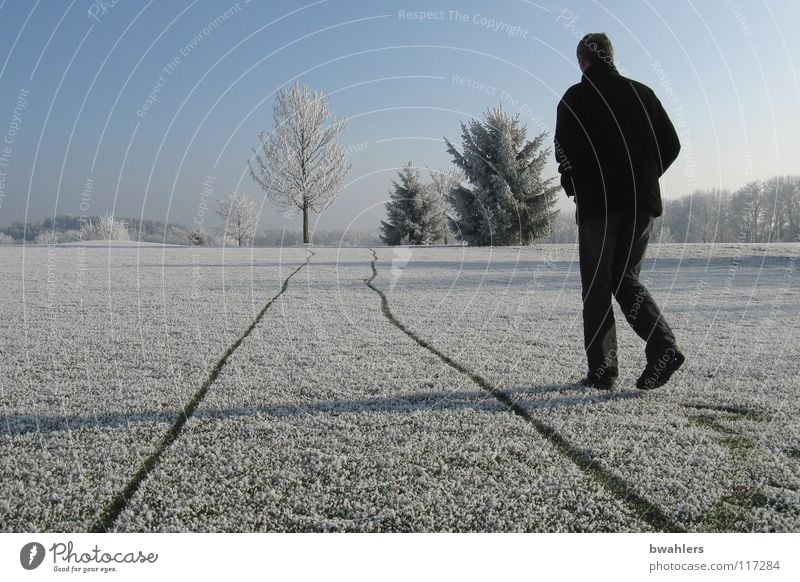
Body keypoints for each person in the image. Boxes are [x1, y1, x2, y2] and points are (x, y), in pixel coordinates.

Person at [554, 32, 685, 390]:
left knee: (597, 286)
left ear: (583, 61)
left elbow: (564, 152)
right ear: (610, 56)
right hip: (641, 203)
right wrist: (643, 176)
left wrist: (576, 185)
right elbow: (671, 144)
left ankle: (603, 371)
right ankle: (663, 346)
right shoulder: (643, 94)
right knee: (625, 279)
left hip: (599, 206)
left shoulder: (575, 98)